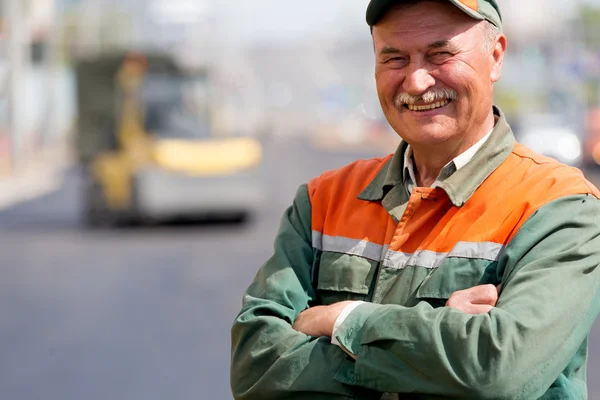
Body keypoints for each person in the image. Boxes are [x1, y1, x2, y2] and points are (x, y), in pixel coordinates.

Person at [230, 0, 600, 398]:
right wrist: (439, 345)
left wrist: (342, 321)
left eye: (440, 54)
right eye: (395, 58)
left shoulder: (561, 208)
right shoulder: (323, 201)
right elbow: (255, 365)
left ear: (495, 57)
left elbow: (497, 371)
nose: (416, 81)